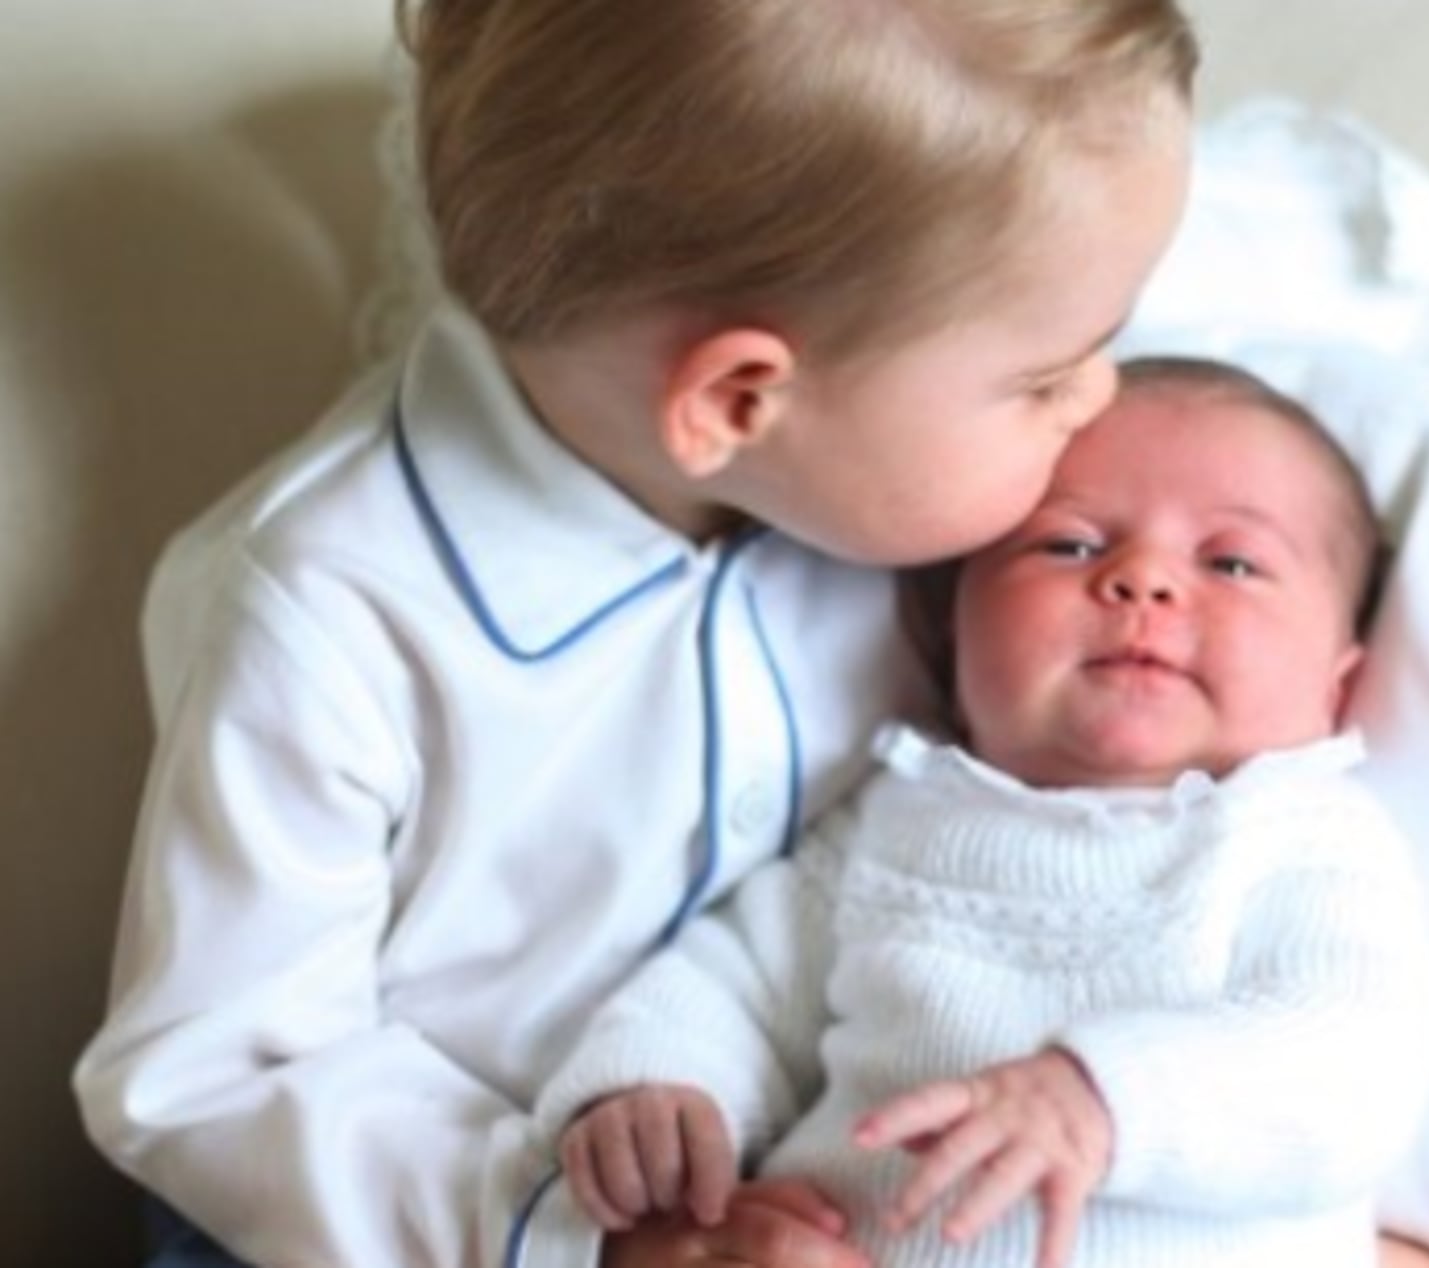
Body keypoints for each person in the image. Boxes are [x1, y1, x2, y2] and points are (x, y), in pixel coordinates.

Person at [71, 1, 1197, 1265]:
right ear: (736, 398)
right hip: (407, 1218)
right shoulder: (329, 609)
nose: (1100, 395)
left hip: (821, 1168)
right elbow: (217, 1076)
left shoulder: (888, 480)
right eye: (1045, 379)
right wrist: (581, 1239)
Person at [537, 357, 1429, 1268]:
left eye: (1234, 562)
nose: (1143, 581)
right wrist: (657, 1085)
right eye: (1071, 545)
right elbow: (740, 981)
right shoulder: (898, 821)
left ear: (1340, 684)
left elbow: (1353, 1070)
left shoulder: (1304, 840)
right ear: (951, 630)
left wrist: (1102, 1099)